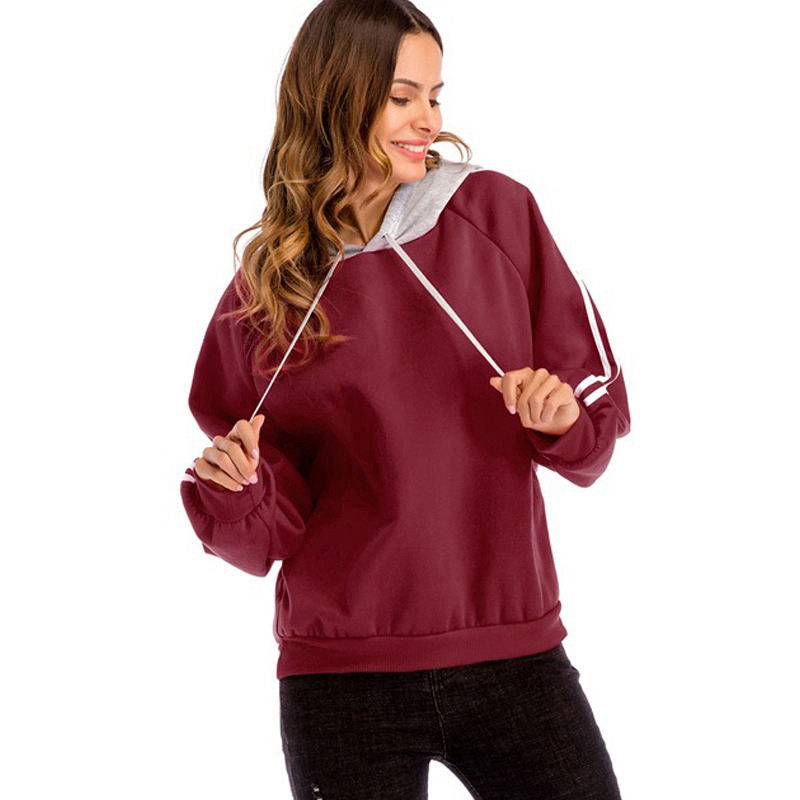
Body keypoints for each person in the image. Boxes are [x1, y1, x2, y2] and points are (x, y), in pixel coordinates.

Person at [179, 1, 631, 797]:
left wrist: (561, 419)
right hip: (341, 678)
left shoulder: (496, 213)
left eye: (434, 95)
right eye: (401, 97)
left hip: (512, 652)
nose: (429, 119)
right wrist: (234, 489)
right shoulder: (269, 288)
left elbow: (596, 404)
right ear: (335, 99)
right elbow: (262, 525)